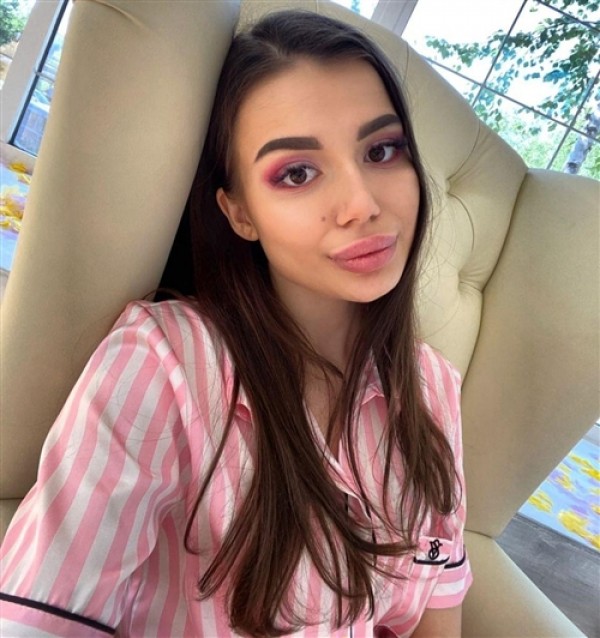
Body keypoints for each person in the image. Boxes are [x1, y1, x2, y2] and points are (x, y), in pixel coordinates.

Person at [0, 9, 472, 637]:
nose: (362, 204)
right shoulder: (163, 366)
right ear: (239, 212)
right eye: (297, 173)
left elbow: (438, 607)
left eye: (381, 150)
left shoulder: (432, 387)